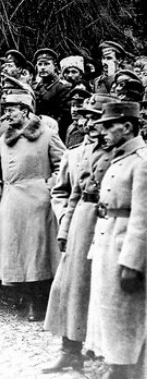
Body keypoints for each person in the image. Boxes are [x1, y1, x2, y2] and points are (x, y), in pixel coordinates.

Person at [41, 93, 117, 373]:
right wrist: (64, 225)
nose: (87, 122)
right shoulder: (74, 154)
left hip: (109, 224)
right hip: (81, 224)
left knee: (106, 290)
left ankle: (111, 357)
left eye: (94, 117)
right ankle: (70, 350)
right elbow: (64, 192)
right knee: (72, 287)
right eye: (85, 116)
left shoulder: (119, 155)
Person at [0, 92, 65, 321]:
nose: (7, 114)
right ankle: (21, 295)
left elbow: (64, 165)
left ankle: (36, 302)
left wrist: (49, 186)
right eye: (6, 109)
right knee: (16, 251)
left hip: (38, 203)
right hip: (11, 201)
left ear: (26, 111)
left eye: (12, 109)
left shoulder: (47, 135)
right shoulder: (4, 138)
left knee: (36, 253)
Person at [86, 102, 146, 379]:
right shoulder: (120, 156)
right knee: (110, 310)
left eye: (109, 126)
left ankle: (126, 369)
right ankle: (118, 365)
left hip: (124, 247)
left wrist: (132, 263)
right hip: (108, 241)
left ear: (127, 127)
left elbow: (142, 218)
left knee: (126, 312)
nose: (104, 133)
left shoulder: (141, 162)